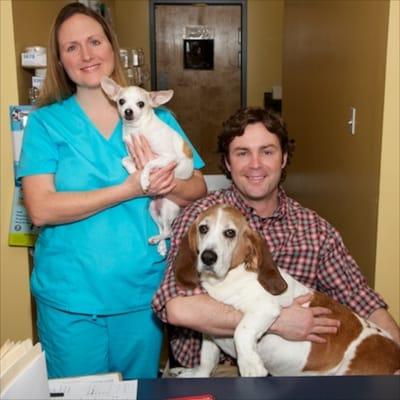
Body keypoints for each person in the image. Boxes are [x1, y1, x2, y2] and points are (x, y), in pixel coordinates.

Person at [17, 3, 206, 379]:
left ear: (111, 47)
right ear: (59, 60)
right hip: (71, 301)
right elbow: (40, 209)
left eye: (94, 41)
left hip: (140, 296)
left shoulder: (157, 119)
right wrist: (130, 189)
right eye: (71, 47)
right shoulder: (45, 124)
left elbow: (198, 187)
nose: (86, 55)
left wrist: (171, 184)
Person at [152, 107, 400, 371]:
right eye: (242, 153)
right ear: (227, 162)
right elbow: (178, 308)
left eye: (267, 152)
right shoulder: (200, 219)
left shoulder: (315, 230)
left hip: (302, 372)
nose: (255, 164)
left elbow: (359, 297)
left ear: (283, 159)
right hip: (220, 370)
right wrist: (279, 321)